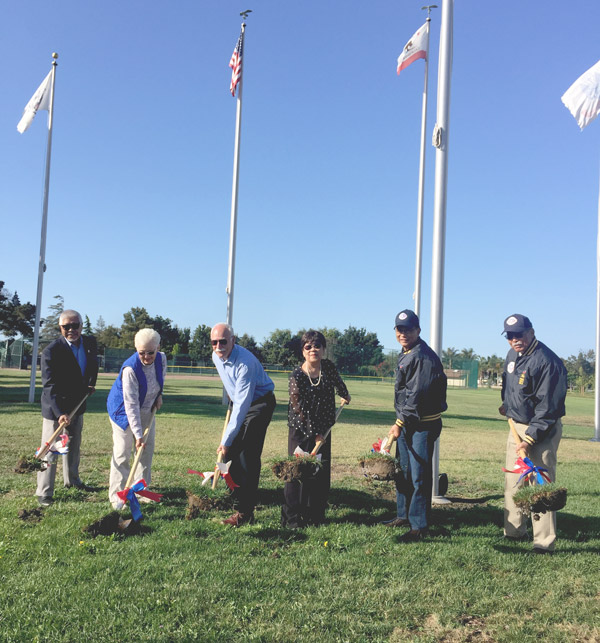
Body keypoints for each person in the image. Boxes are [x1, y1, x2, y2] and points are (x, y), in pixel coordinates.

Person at [499, 314, 567, 554]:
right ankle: (514, 531)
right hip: (515, 426)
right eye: (510, 335)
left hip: (542, 429)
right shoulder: (512, 355)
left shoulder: (548, 362)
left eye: (519, 334)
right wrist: (507, 407)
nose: (515, 339)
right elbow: (510, 387)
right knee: (514, 481)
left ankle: (544, 542)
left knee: (541, 484)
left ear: (531, 331)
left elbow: (548, 407)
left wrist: (530, 439)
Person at [383, 309, 447, 541]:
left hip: (422, 424)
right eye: (399, 330)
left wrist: (399, 422)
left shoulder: (421, 356)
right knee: (404, 471)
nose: (403, 333)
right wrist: (400, 421)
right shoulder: (407, 352)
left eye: (408, 329)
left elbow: (417, 395)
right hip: (407, 422)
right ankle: (403, 515)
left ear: (418, 330)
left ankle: (419, 526)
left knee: (419, 476)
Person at [281, 330, 351, 528]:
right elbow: (299, 409)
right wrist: (315, 434)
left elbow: (338, 383)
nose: (313, 350)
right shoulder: (297, 376)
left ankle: (315, 516)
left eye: (317, 346)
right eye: (308, 347)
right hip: (301, 430)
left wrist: (344, 394)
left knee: (319, 473)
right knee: (297, 473)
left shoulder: (327, 367)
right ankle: (292, 519)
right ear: (302, 351)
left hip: (324, 427)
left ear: (323, 349)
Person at [211, 322, 276, 527]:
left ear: (233, 341)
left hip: (259, 404)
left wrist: (226, 440)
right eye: (214, 342)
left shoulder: (245, 363)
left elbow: (242, 406)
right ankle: (231, 495)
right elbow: (234, 393)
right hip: (239, 401)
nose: (218, 346)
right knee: (228, 455)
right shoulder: (216, 356)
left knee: (246, 454)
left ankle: (245, 512)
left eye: (223, 341)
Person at [36, 309, 98, 506]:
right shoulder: (51, 352)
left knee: (73, 444)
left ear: (81, 325)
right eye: (66, 326)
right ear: (60, 328)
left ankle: (72, 481)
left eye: (75, 325)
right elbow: (49, 386)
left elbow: (93, 365)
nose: (72, 329)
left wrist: (90, 383)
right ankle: (44, 492)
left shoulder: (89, 343)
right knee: (51, 449)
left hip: (77, 404)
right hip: (56, 408)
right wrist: (59, 412)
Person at [107, 328, 166, 509]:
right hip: (123, 412)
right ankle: (117, 495)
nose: (147, 356)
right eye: (142, 352)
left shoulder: (161, 358)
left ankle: (140, 489)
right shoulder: (130, 369)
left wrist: (159, 395)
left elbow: (160, 378)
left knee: (146, 452)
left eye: (151, 352)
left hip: (148, 408)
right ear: (135, 348)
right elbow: (130, 405)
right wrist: (138, 435)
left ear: (157, 348)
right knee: (122, 452)